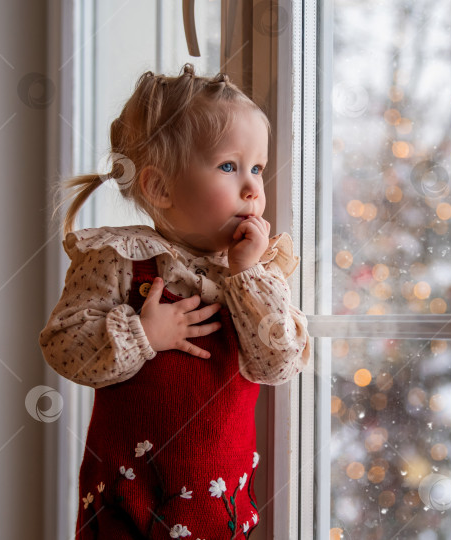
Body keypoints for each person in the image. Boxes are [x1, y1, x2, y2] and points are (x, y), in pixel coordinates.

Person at [38, 63, 311, 540]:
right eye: (229, 166)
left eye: (258, 168)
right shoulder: (119, 258)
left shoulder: (255, 273)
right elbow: (63, 344)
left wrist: (245, 274)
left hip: (216, 506)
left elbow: (278, 363)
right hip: (127, 500)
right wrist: (142, 334)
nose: (252, 187)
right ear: (160, 187)